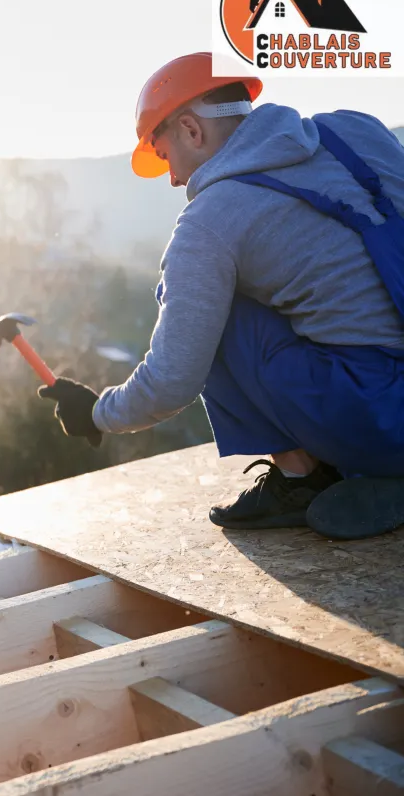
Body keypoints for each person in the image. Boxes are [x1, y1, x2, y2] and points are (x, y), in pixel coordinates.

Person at [38, 51, 404, 541]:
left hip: (383, 419)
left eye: (166, 156)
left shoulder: (208, 224)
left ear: (191, 130)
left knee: (211, 307)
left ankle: (302, 478)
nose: (173, 179)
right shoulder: (358, 131)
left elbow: (173, 380)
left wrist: (98, 412)